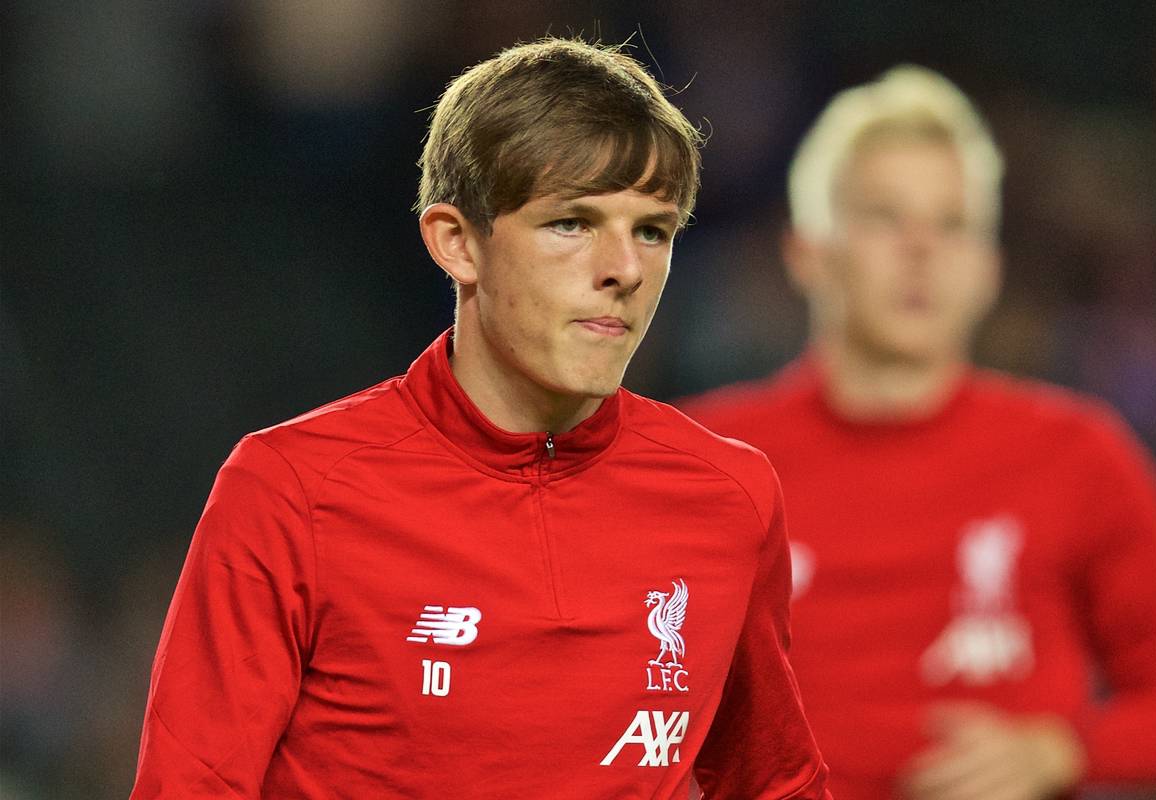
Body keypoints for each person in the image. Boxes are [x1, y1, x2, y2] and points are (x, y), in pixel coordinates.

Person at [128, 38, 830, 799]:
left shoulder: (730, 496)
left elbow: (777, 783)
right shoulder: (294, 491)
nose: (623, 269)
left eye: (652, 230)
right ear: (456, 243)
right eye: (571, 222)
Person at [680, 66, 1156, 800]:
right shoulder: (705, 461)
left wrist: (1064, 752)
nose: (921, 249)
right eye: (884, 218)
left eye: (951, 224)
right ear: (806, 252)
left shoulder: (1078, 454)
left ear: (988, 267)